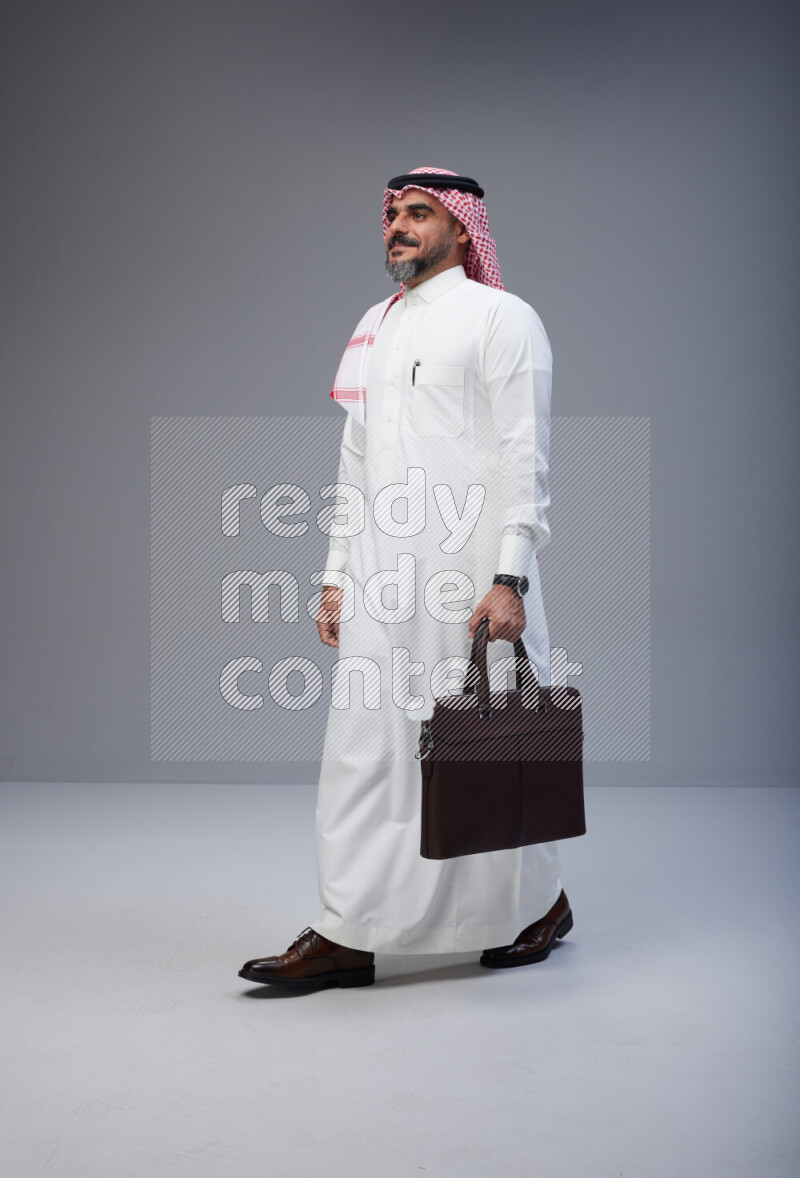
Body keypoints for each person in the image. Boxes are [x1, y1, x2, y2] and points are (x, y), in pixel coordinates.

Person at [239, 167, 572, 992]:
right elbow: (355, 461)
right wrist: (337, 575)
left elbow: (526, 456)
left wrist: (511, 579)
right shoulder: (375, 326)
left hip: (469, 578)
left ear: (463, 230)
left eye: (419, 214)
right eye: (392, 215)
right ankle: (349, 929)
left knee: (487, 750)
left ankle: (537, 905)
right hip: (384, 580)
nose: (399, 227)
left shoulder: (504, 319)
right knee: (365, 753)